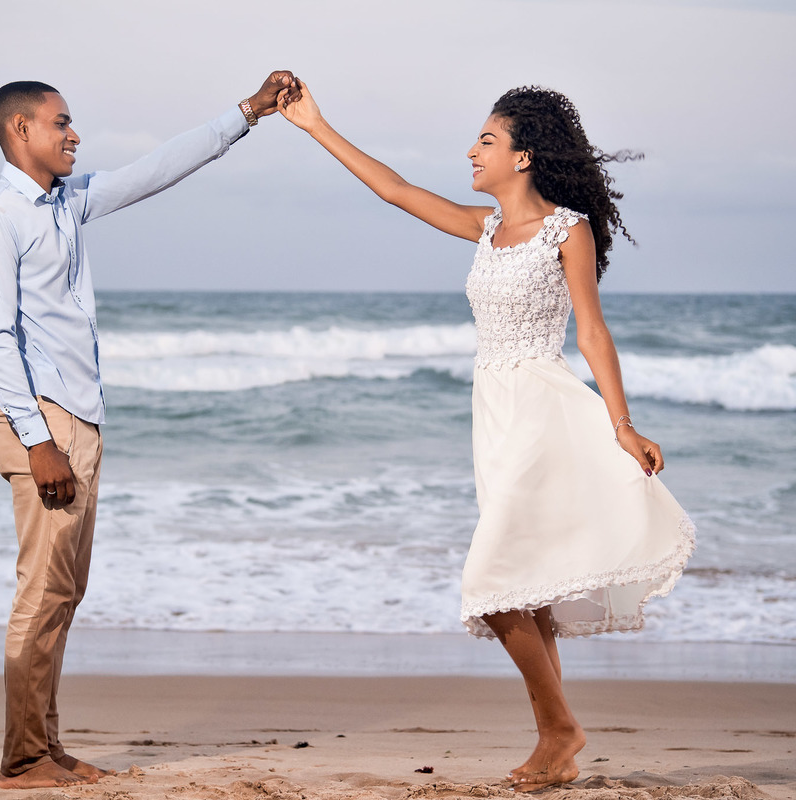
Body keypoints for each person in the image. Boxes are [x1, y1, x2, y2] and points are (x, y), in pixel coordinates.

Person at [279, 82, 695, 791]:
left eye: (486, 141)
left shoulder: (567, 230)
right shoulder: (484, 228)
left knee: (493, 584)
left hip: (542, 410)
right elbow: (394, 190)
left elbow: (592, 332)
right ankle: (556, 745)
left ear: (523, 156)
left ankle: (559, 730)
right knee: (527, 583)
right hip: (494, 416)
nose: (471, 151)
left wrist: (622, 424)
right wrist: (315, 125)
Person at [0, 72, 298, 790]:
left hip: (78, 421)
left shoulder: (68, 202)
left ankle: (46, 746)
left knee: (63, 595)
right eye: (60, 122)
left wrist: (246, 113)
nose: (73, 134)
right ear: (21, 130)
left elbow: (155, 170)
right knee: (40, 595)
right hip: (43, 424)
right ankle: (22, 759)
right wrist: (38, 441)